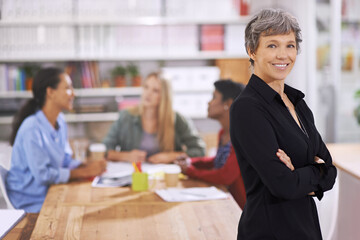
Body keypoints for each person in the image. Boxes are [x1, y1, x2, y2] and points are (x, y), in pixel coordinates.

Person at [229, 9, 337, 239]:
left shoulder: (298, 103)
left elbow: (330, 170)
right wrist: (314, 171)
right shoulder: (247, 108)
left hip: (306, 229)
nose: (283, 55)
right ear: (252, 51)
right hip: (269, 231)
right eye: (272, 45)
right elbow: (283, 185)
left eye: (290, 45)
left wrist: (301, 173)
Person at [6, 67, 107, 213]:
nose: (73, 93)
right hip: (31, 202)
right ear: (50, 92)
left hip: (51, 192)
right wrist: (84, 172)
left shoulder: (59, 120)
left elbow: (64, 161)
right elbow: (43, 176)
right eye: (68, 88)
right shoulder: (32, 128)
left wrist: (84, 165)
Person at [103, 72, 206, 164]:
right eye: (146, 87)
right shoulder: (126, 116)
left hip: (166, 177)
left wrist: (170, 156)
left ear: (164, 96)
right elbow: (105, 149)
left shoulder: (177, 119)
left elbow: (200, 151)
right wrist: (127, 156)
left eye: (155, 90)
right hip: (133, 174)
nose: (148, 93)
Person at [175, 79, 246, 209]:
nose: (209, 102)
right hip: (226, 200)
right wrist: (192, 162)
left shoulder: (242, 136)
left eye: (214, 97)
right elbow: (219, 161)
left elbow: (226, 175)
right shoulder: (223, 133)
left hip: (241, 208)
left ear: (228, 104)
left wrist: (191, 171)